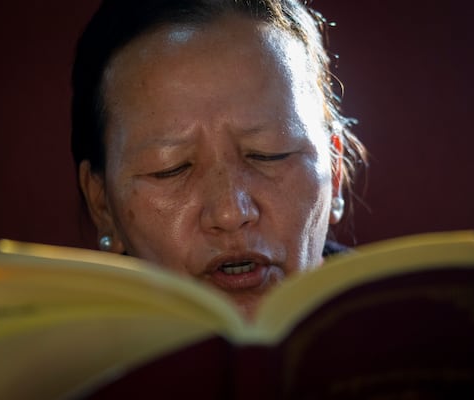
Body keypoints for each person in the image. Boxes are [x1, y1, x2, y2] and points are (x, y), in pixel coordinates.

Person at [72, 0, 366, 319]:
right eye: (170, 169)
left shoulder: (419, 345)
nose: (230, 212)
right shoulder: (54, 366)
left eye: (269, 153)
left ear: (335, 172)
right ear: (102, 204)